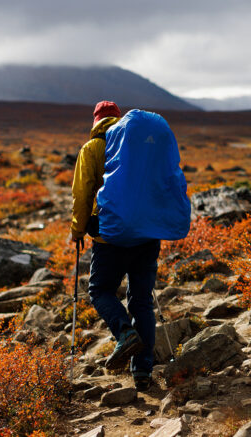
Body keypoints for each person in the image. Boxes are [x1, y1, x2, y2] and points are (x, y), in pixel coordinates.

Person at [70, 100, 160, 390]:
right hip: (146, 233)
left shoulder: (92, 148)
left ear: (96, 122)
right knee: (142, 300)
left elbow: (82, 195)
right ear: (120, 120)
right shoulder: (140, 145)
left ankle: (124, 333)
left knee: (99, 290)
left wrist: (77, 231)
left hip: (110, 236)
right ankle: (143, 372)